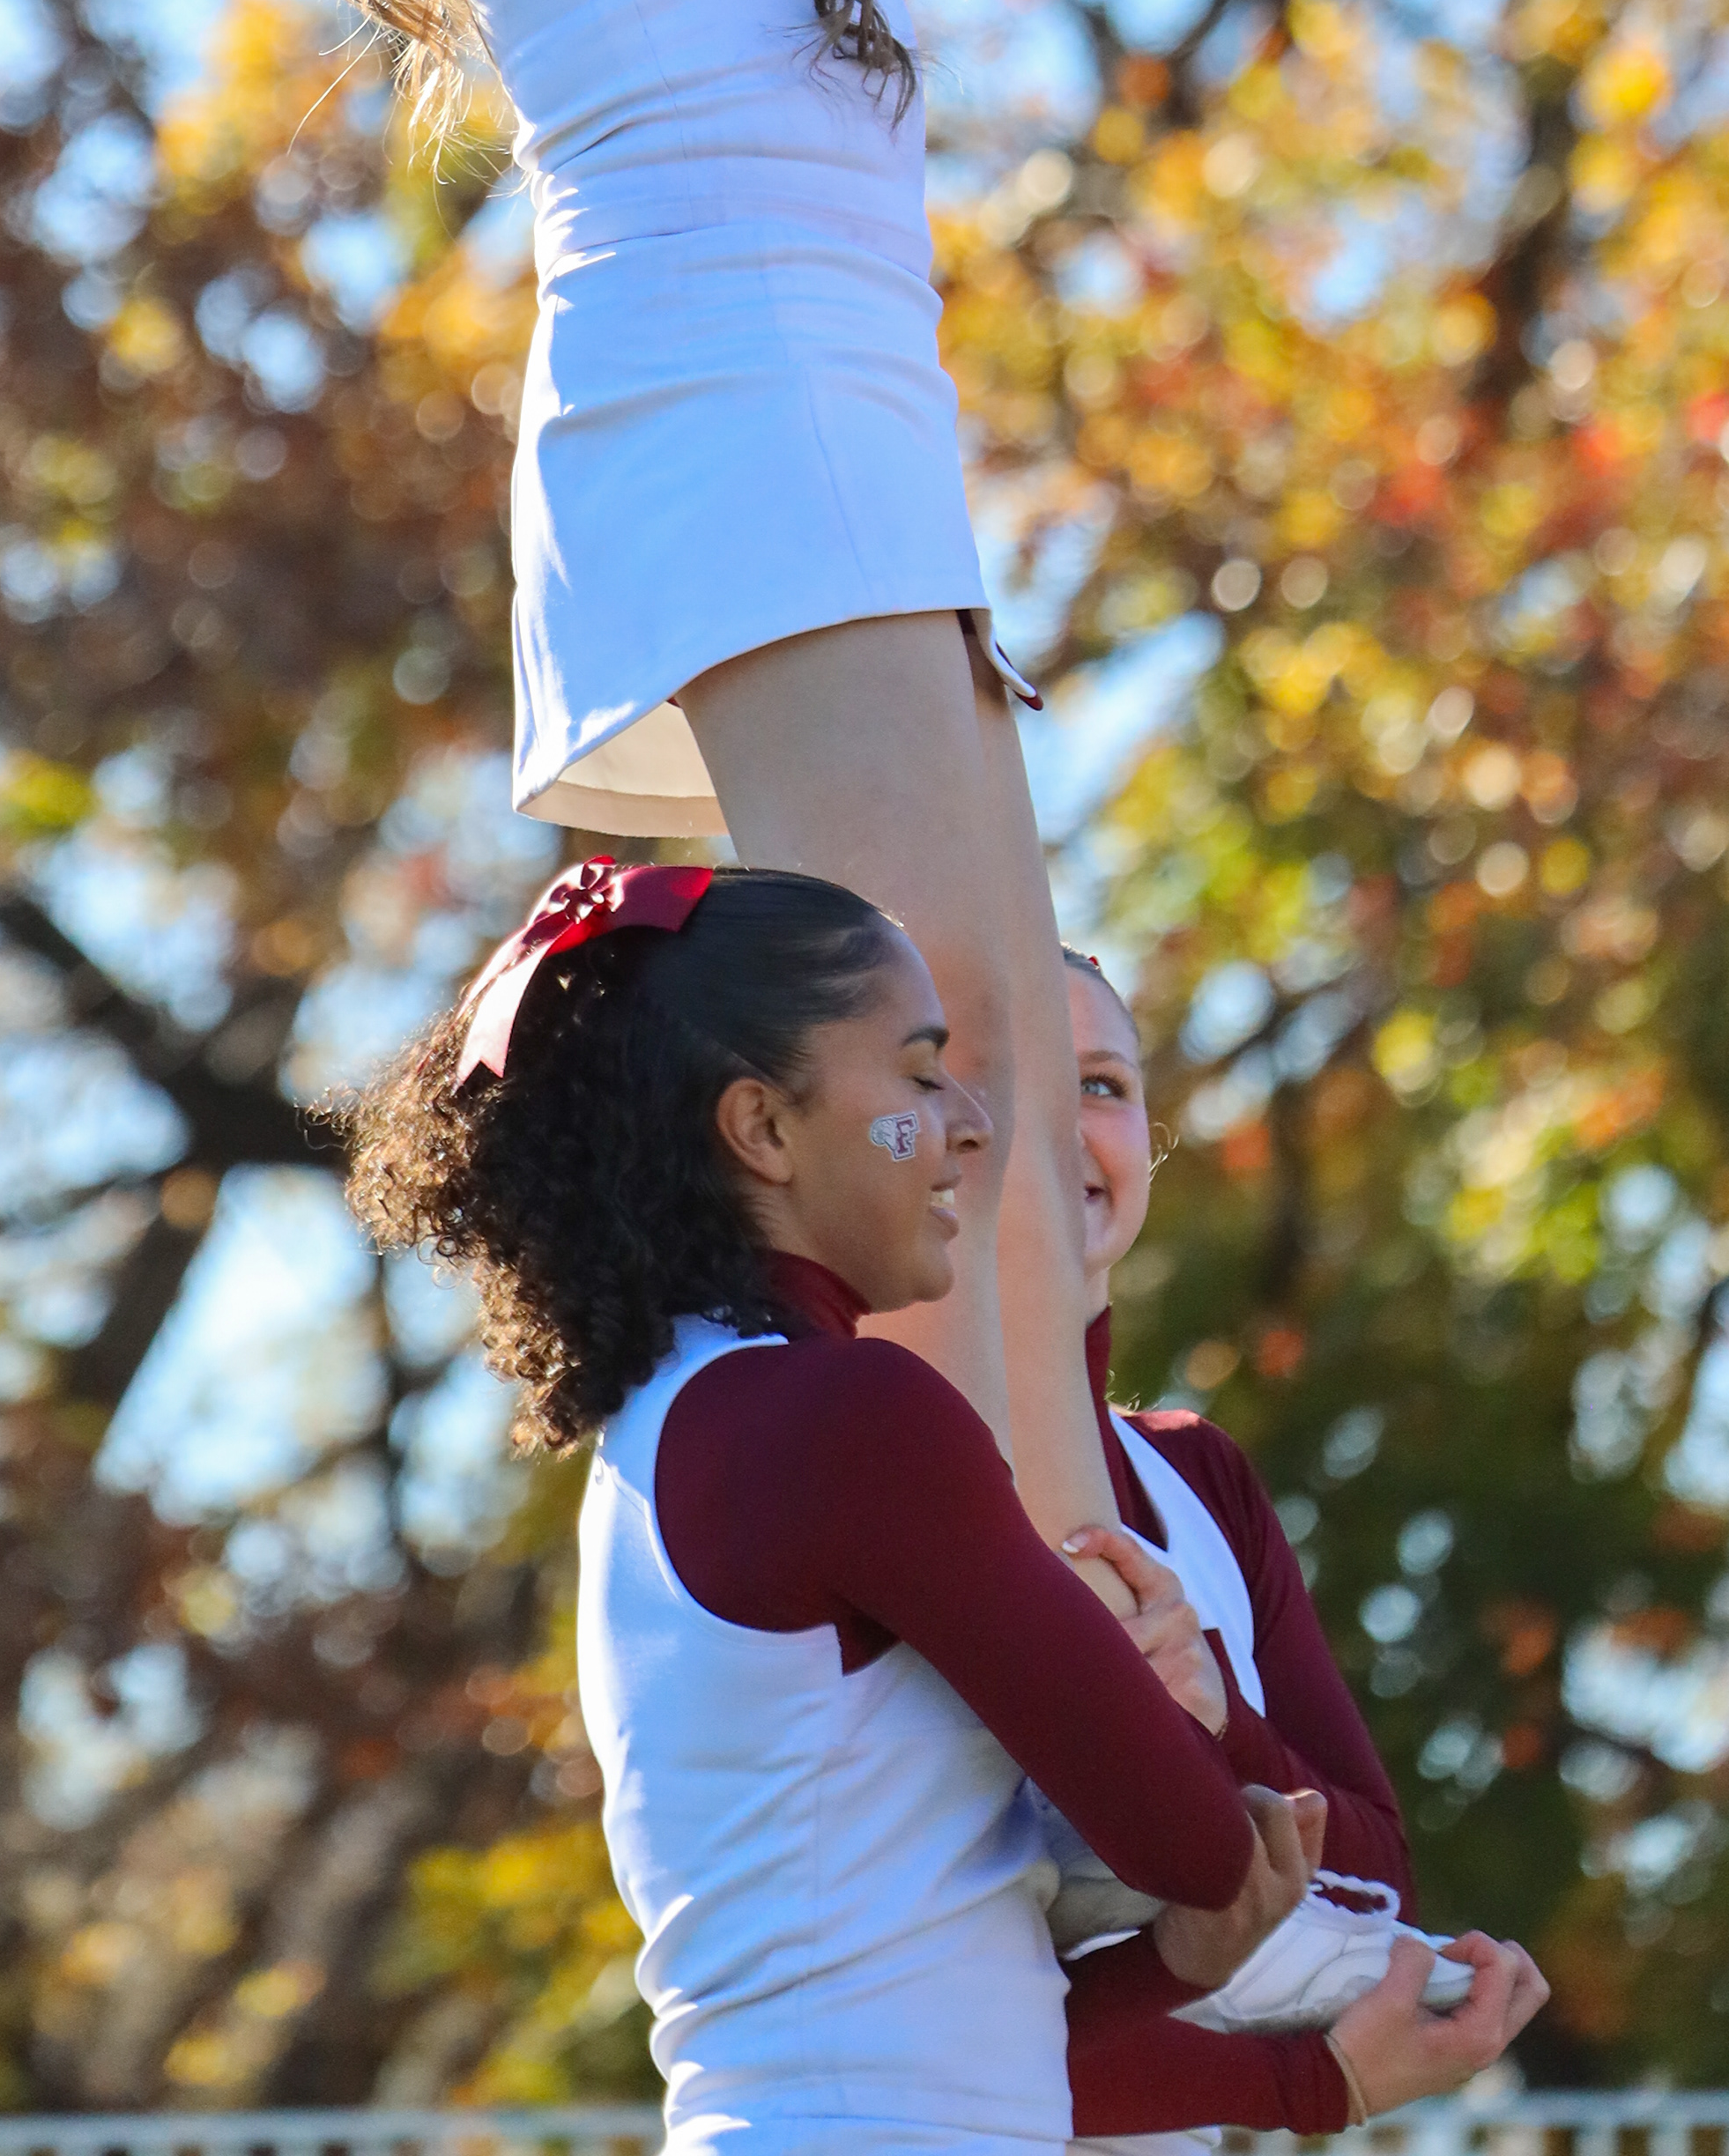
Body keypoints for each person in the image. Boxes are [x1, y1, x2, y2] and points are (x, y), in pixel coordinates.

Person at [249, 0, 1121, 1552]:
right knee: (929, 1094)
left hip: (856, 427)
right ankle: (1059, 1710)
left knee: (1017, 1115)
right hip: (732, 429)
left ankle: (1112, 1651)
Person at [343, 858, 1311, 2154]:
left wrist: (1189, 1956)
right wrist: (1193, 1732)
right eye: (920, 1074)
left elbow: (920, 2035)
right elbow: (1194, 1846)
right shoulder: (850, 1419)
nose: (973, 1123)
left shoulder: (665, 1423)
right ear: (762, 1128)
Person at [1056, 948, 1550, 2140]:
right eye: (1012, 1073)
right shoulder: (889, 1461)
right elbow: (928, 2016)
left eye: (1106, 1085)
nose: (1069, 1125)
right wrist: (1316, 2082)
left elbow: (1375, 1878)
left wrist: (1219, 1715)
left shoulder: (1198, 1476)